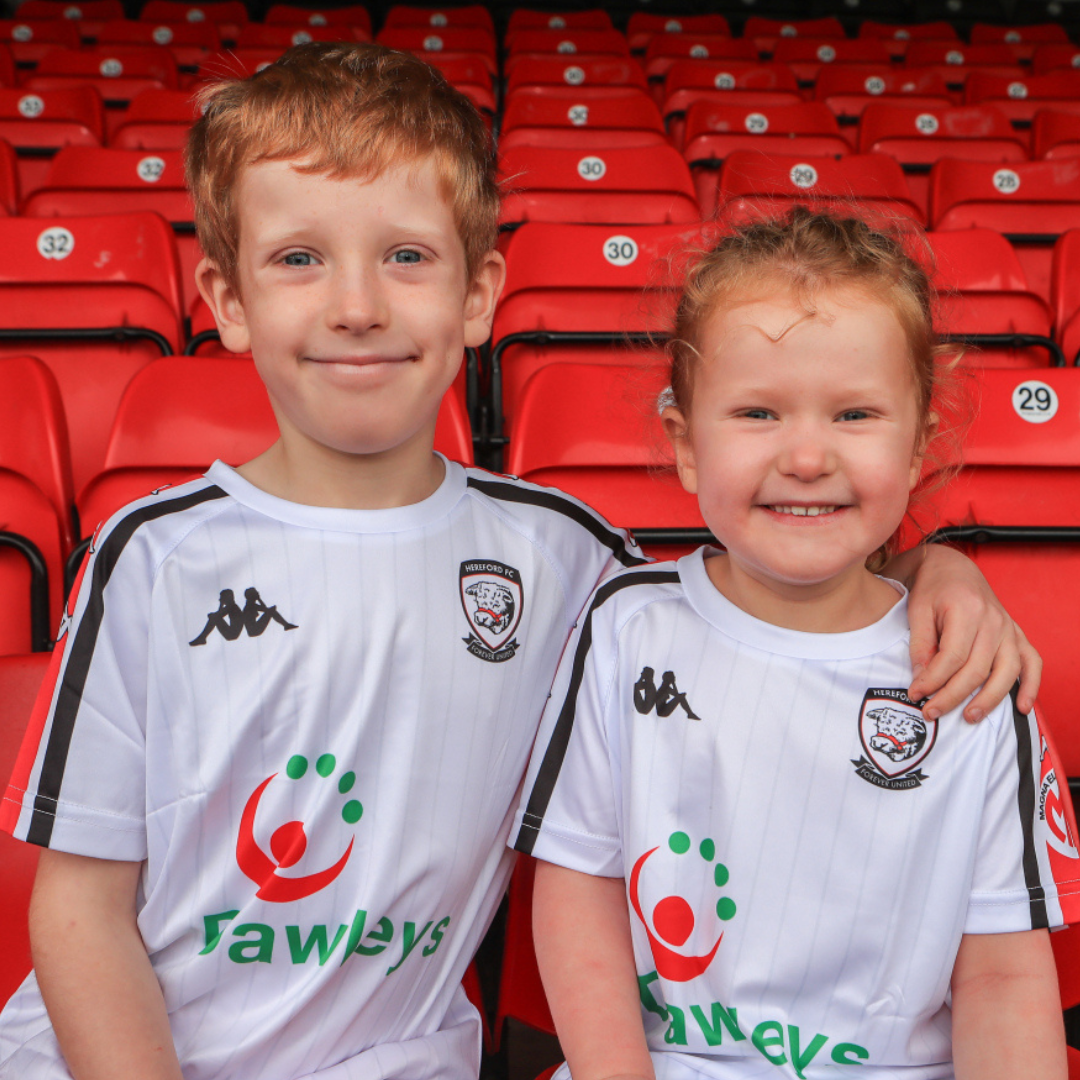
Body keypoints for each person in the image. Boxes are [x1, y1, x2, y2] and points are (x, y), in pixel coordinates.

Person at [0, 43, 1044, 1080]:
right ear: (226, 300)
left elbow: (778, 574)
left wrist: (936, 570)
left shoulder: (564, 561)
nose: (356, 304)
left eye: (407, 256)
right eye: (298, 258)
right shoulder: (149, 556)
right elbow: (81, 910)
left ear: (479, 291)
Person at [512, 208, 1080, 1080]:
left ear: (921, 443)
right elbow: (578, 889)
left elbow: (1003, 976)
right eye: (757, 412)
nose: (807, 456)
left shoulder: (971, 671)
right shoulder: (627, 624)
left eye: (855, 413)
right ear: (685, 443)